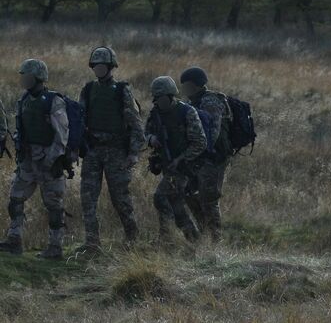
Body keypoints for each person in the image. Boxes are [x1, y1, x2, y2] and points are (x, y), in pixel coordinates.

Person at [77, 47, 145, 252]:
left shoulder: (122, 90)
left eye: (102, 66)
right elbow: (80, 119)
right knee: (88, 198)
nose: (98, 69)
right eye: (95, 66)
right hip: (93, 150)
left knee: (120, 199)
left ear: (110, 67)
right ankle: (92, 242)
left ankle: (132, 239)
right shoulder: (88, 89)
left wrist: (133, 153)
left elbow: (136, 123)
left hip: (116, 152)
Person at [0, 59, 69, 259]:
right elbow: (21, 128)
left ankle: (55, 247)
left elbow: (61, 136)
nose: (23, 80)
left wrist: (51, 160)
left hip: (49, 160)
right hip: (28, 160)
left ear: (38, 78)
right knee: (15, 199)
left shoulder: (53, 101)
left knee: (53, 205)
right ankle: (14, 240)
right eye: (23, 76)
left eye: (27, 77)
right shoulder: (24, 100)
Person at [145, 76, 205, 243]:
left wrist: (180, 159)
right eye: (157, 98)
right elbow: (146, 132)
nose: (160, 102)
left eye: (163, 98)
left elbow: (200, 142)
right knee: (175, 204)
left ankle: (166, 238)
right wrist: (151, 139)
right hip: (166, 164)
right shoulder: (156, 113)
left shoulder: (187, 112)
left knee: (160, 197)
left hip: (184, 167)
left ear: (171, 96)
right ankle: (193, 239)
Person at [180, 66, 233, 242]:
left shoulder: (211, 101)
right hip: (198, 157)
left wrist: (195, 150)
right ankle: (204, 232)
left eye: (186, 85)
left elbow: (212, 133)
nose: (184, 89)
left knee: (208, 198)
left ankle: (215, 240)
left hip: (214, 158)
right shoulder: (191, 103)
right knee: (188, 193)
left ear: (195, 85)